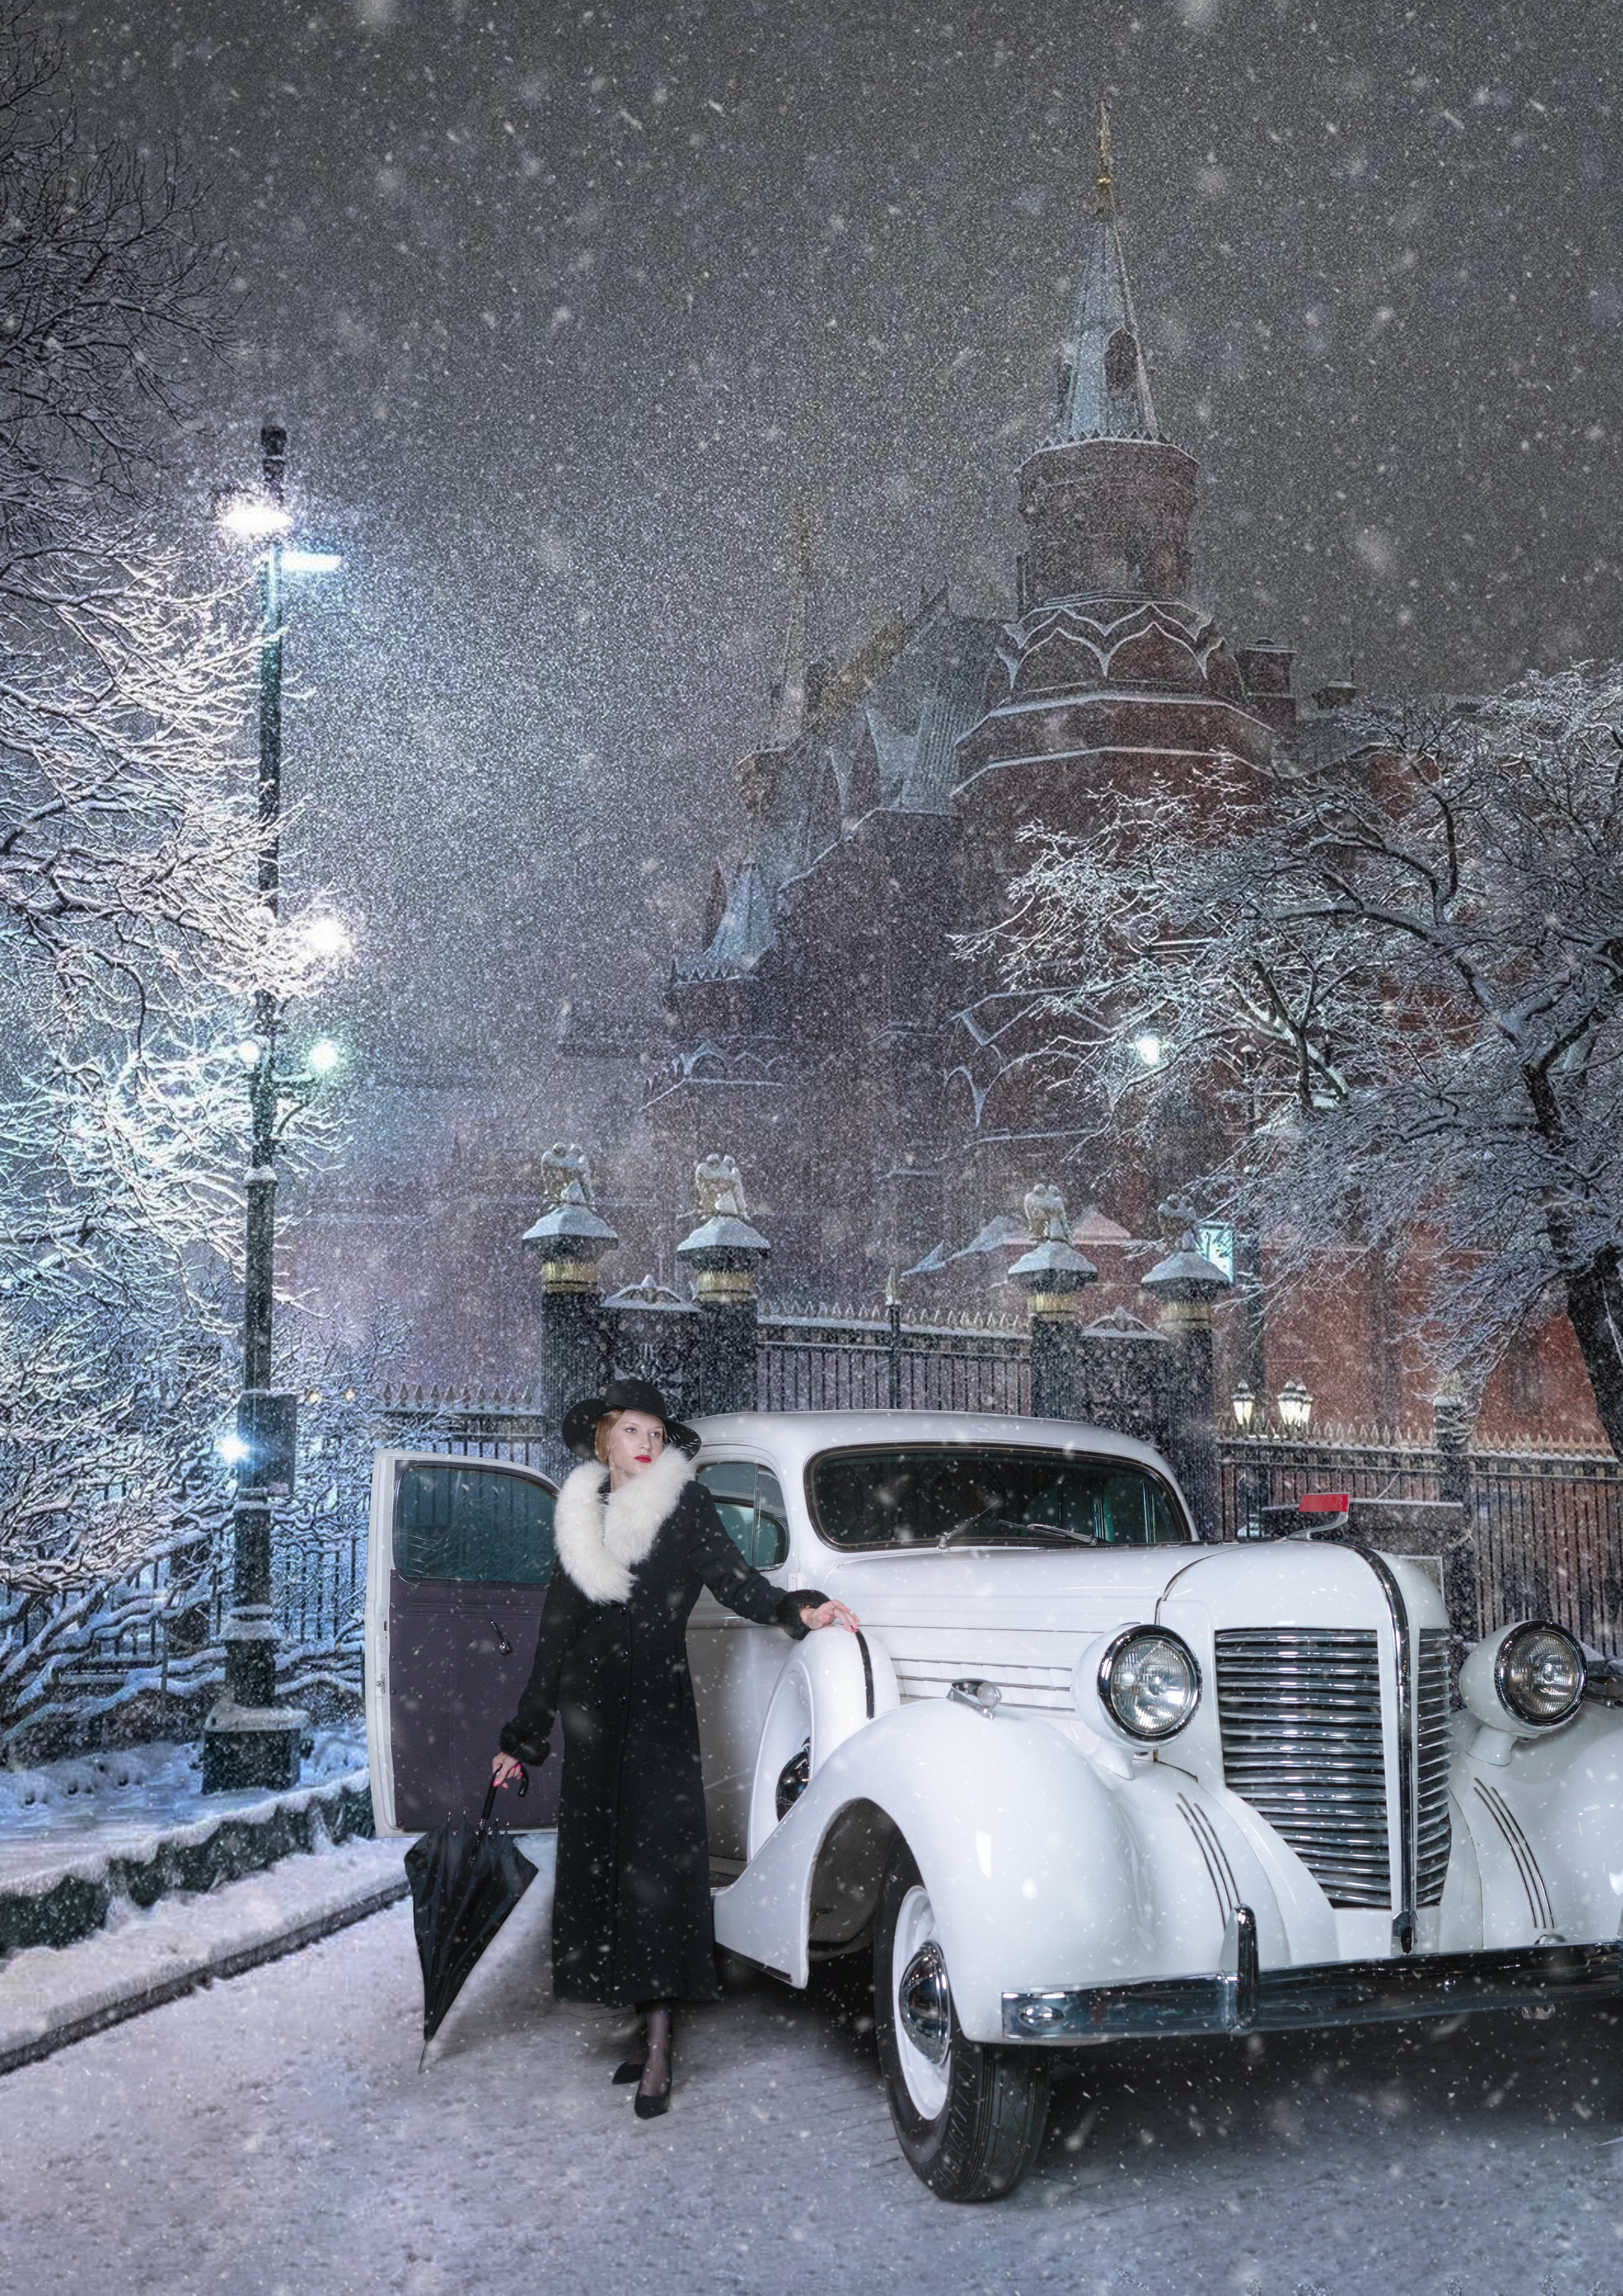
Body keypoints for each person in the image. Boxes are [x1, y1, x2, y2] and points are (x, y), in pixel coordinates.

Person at [490, 1376, 858, 2118]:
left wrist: (800, 1610)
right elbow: (554, 1633)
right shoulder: (577, 1518)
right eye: (634, 1432)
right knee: (605, 1869)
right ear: (606, 1439)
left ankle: (660, 2044)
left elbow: (736, 1582)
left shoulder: (684, 1507)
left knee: (655, 1868)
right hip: (590, 1715)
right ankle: (638, 2023)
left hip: (658, 1709)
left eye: (656, 1435)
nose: (648, 1445)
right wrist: (523, 1738)